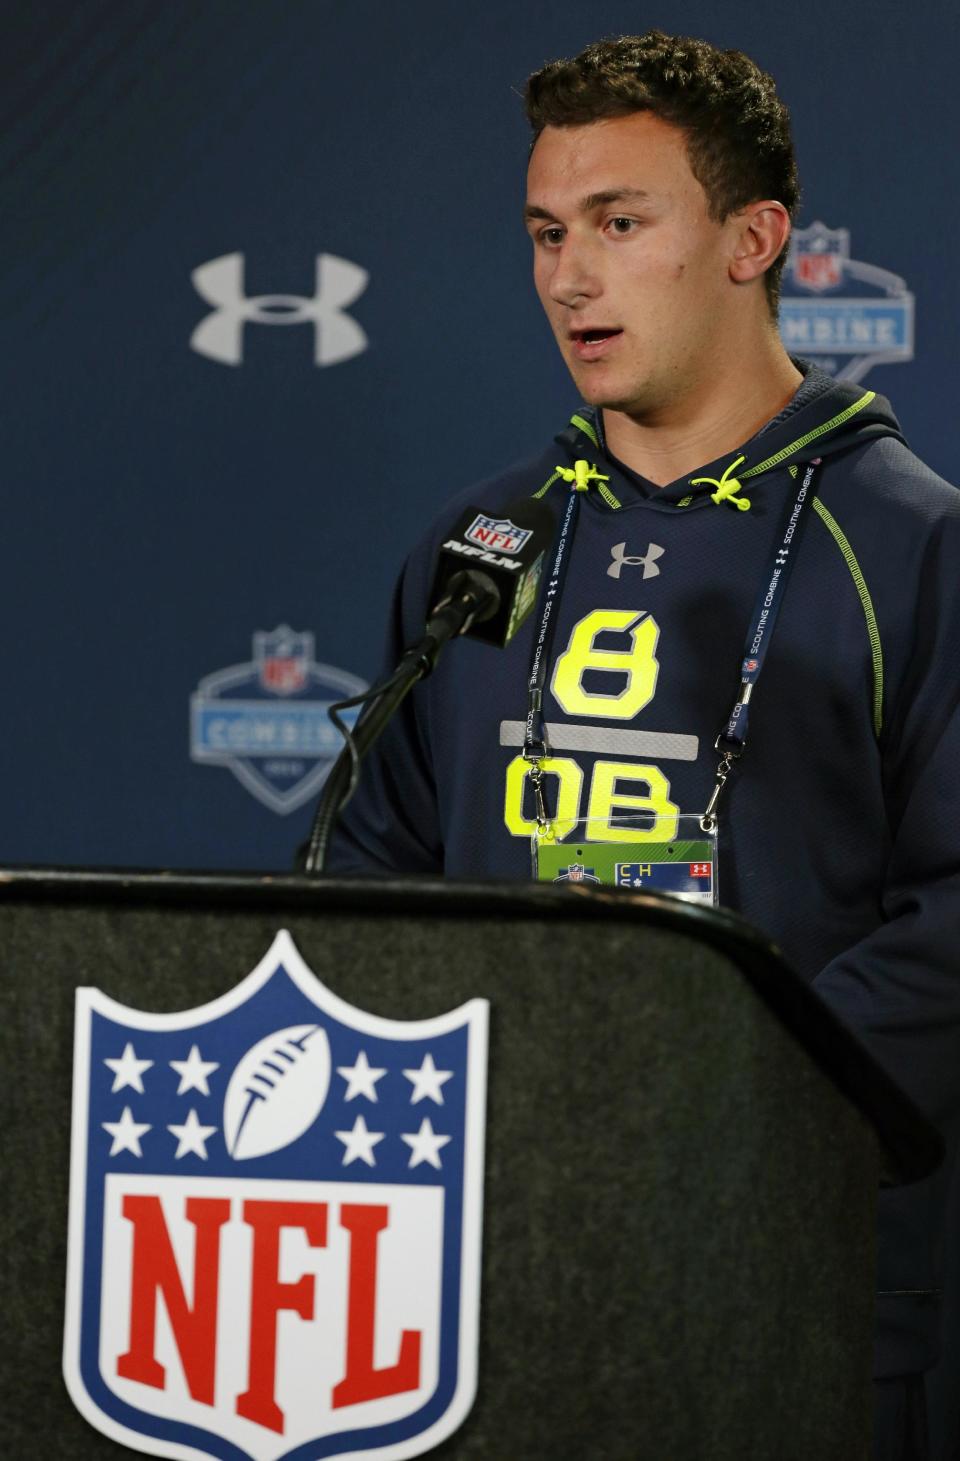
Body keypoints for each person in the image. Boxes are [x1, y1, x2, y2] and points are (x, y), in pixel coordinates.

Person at [328, 32, 960, 1459]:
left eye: (621, 224)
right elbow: (372, 882)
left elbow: (953, 917)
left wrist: (717, 1099)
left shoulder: (919, 550)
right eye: (549, 231)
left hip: (803, 1292)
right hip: (501, 1283)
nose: (569, 275)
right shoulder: (477, 547)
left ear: (753, 239)